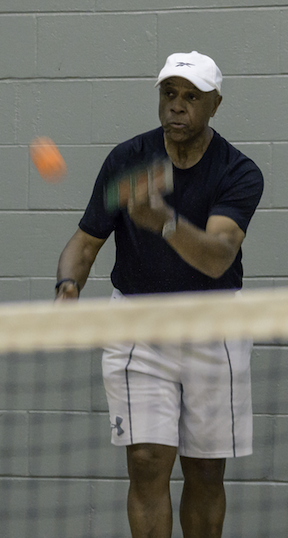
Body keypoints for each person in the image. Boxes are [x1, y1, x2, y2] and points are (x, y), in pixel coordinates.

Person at [54, 51, 264, 538]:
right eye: (169, 94)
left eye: (191, 97)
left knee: (205, 470)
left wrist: (164, 222)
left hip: (214, 328)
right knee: (147, 462)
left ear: (215, 105)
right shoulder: (128, 160)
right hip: (138, 326)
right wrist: (68, 288)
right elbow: (86, 241)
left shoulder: (238, 172)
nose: (177, 106)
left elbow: (217, 255)